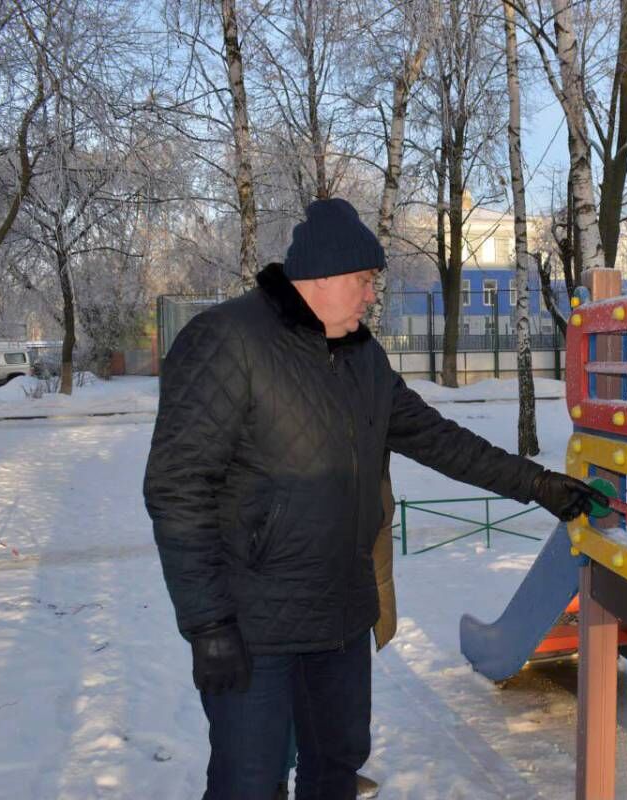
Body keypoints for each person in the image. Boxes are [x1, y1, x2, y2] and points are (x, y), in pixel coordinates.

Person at [143, 198, 600, 800]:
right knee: (247, 783)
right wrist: (208, 625)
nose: (369, 297)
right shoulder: (229, 341)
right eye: (363, 282)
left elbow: (438, 439)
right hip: (255, 623)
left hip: (340, 614)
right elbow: (177, 487)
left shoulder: (362, 357)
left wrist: (539, 485)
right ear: (325, 277)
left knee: (335, 769)